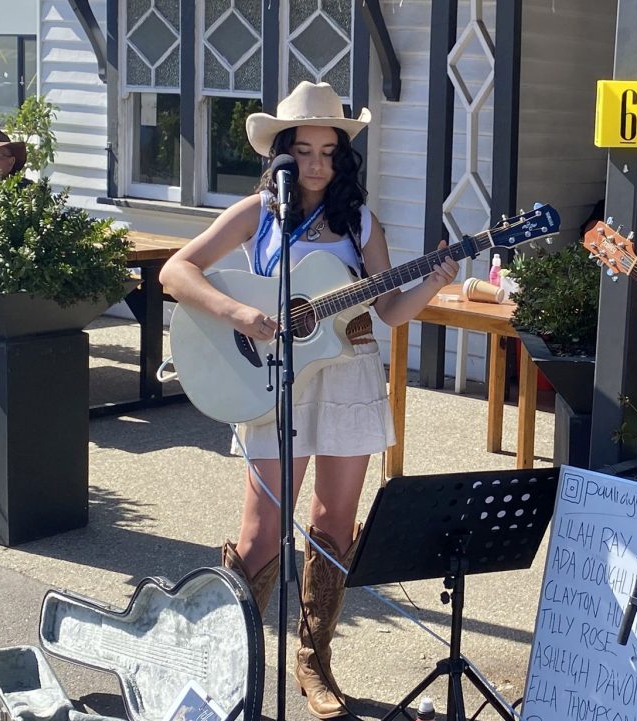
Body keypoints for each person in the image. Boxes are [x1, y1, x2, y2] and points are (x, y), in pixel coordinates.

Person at [159, 81, 459, 719]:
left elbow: (390, 310)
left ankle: (313, 663)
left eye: (330, 151)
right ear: (283, 157)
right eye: (306, 150)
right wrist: (240, 312)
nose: (319, 163)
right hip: (270, 376)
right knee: (263, 532)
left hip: (348, 373)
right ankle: (226, 663)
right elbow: (175, 271)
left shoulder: (360, 223)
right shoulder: (254, 214)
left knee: (329, 526)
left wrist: (430, 283)